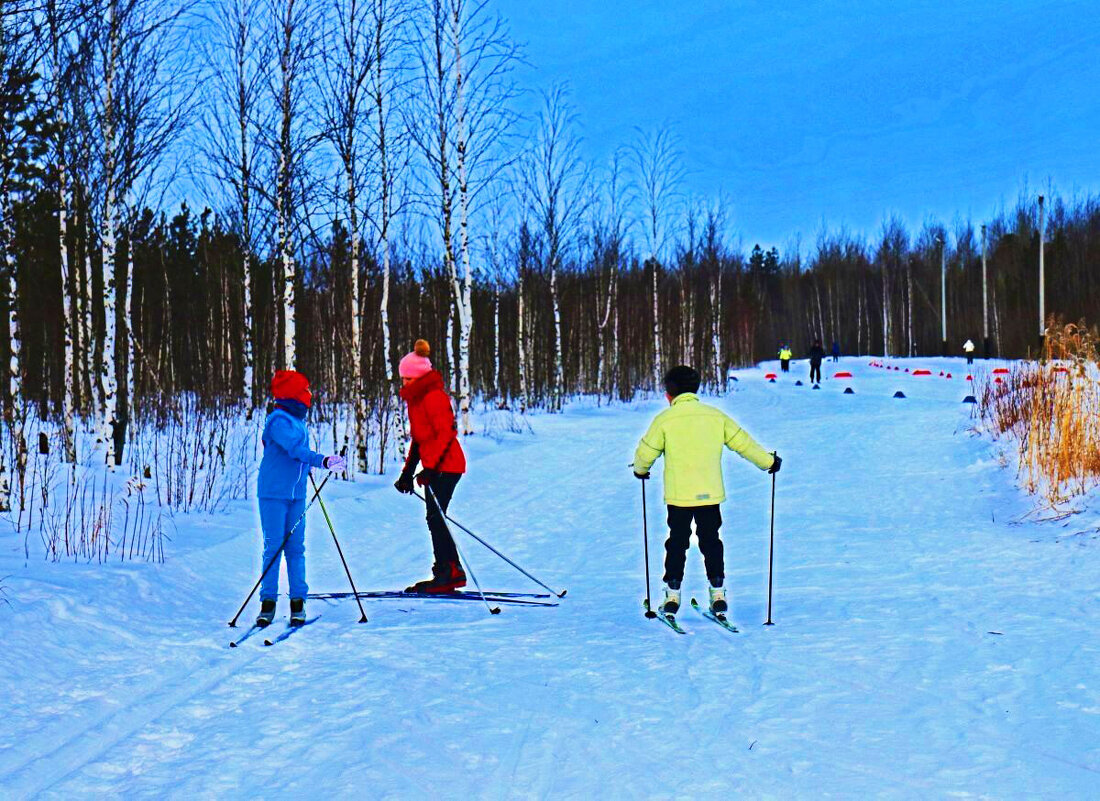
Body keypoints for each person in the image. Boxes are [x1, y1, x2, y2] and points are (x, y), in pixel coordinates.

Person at [633, 365, 781, 617]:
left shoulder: (665, 420)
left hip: (679, 497)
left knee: (677, 542)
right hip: (710, 496)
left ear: (670, 393)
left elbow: (646, 452)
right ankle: (718, 592)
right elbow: (743, 443)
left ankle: (672, 594)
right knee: (711, 541)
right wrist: (768, 461)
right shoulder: (715, 416)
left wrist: (640, 470)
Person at [256, 370, 347, 627]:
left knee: (296, 548)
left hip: (296, 494)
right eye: (304, 391)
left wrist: (309, 470)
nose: (309, 395)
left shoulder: (298, 421)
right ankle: (268, 603)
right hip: (273, 493)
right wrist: (323, 461)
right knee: (274, 548)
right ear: (293, 394)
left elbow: (298, 457)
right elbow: (296, 450)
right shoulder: (278, 421)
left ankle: (298, 602)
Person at [394, 339, 468, 593]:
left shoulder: (434, 397)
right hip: (436, 467)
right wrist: (407, 473)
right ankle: (448, 571)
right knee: (435, 518)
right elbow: (419, 441)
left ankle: (449, 572)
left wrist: (432, 469)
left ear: (417, 378)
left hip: (448, 466)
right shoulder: (416, 402)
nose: (403, 384)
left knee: (436, 518)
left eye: (406, 379)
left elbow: (446, 434)